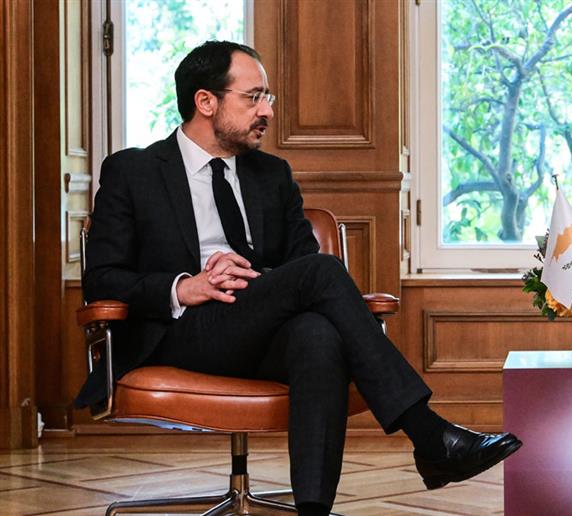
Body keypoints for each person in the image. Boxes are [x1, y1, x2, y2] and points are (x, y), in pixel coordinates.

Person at [73, 41, 521, 516]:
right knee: (324, 273)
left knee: (317, 335)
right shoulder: (134, 171)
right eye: (253, 97)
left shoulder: (272, 174)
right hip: (180, 331)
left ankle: (314, 510)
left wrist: (259, 281)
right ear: (205, 101)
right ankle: (429, 436)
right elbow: (102, 279)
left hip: (259, 325)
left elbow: (300, 266)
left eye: (268, 98)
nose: (267, 111)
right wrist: (187, 286)